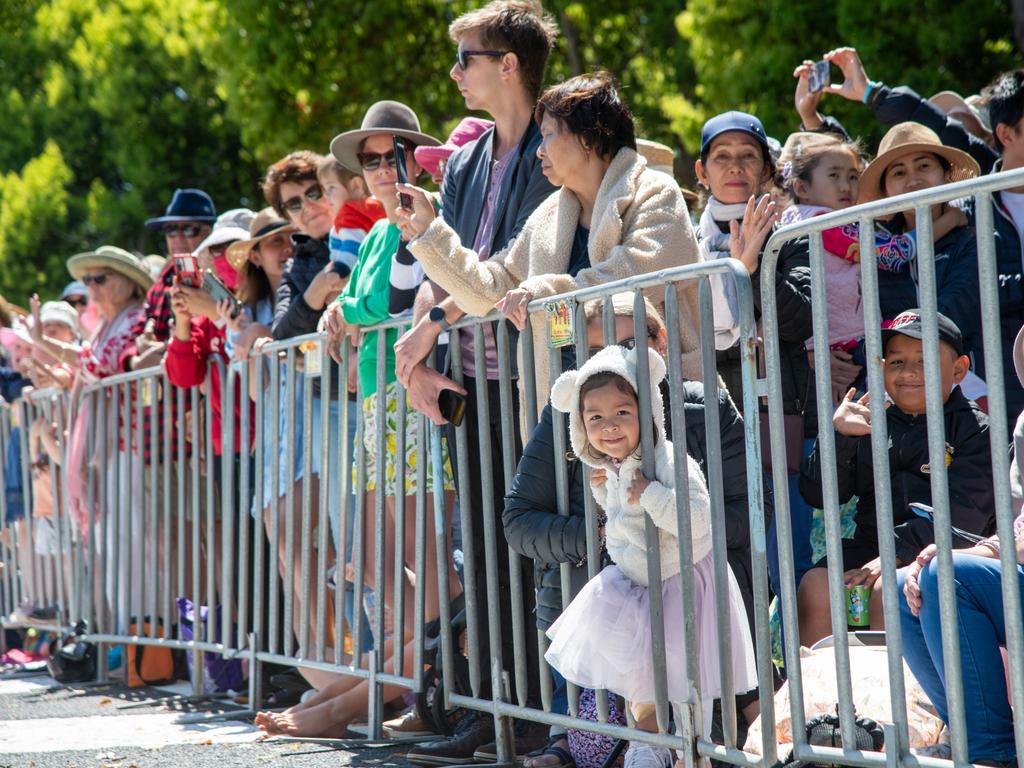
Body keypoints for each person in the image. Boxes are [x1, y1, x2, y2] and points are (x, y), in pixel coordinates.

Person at [389, 2, 560, 762]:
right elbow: (443, 259)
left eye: (467, 59)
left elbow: (514, 263)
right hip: (475, 379)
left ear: (509, 64)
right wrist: (421, 352)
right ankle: (498, 709)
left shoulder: (558, 142)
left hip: (537, 378)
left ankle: (545, 717)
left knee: (533, 544)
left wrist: (430, 324)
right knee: (483, 552)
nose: (455, 73)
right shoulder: (461, 160)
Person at [503, 294, 756, 767]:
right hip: (611, 588)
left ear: (658, 344)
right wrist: (601, 534)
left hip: (689, 583)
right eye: (595, 350)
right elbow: (519, 522)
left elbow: (741, 512)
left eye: (626, 343)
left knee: (688, 703)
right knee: (637, 693)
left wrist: (659, 516)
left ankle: (693, 745)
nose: (611, 361)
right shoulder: (573, 418)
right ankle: (593, 742)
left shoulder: (702, 408)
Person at [398, 71, 703, 414]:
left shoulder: (657, 192)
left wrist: (542, 293)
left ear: (588, 138)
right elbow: (491, 287)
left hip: (652, 409)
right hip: (564, 412)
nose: (538, 152)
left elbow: (638, 277)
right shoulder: (548, 214)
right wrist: (430, 231)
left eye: (547, 136)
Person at [798, 310, 996, 646]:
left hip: (943, 556)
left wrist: (893, 556)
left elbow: (964, 516)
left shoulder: (977, 431)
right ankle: (828, 697)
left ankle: (899, 696)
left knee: (885, 591)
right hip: (870, 548)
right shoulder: (870, 418)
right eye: (896, 362)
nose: (909, 373)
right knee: (816, 586)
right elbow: (819, 494)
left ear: (959, 369)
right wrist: (840, 436)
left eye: (924, 360)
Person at [694, 110, 816, 603]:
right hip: (708, 421)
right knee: (723, 561)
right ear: (701, 172)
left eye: (748, 156)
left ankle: (797, 674)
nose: (735, 167)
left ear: (766, 168)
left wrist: (754, 263)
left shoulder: (789, 234)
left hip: (774, 416)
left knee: (788, 556)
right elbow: (691, 331)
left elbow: (800, 317)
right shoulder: (687, 240)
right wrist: (734, 265)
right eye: (721, 157)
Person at [897, 323, 1024, 767]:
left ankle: (992, 755)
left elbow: (971, 513)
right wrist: (937, 553)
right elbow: (1015, 529)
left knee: (945, 575)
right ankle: (975, 733)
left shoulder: (977, 426)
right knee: (906, 584)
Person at [61, 246, 153, 628]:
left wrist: (46, 346)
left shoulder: (136, 319)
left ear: (130, 284)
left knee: (132, 542)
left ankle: (141, 631)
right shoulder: (103, 327)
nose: (91, 287)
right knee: (110, 544)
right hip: (107, 446)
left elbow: (107, 365)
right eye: (87, 280)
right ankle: (124, 635)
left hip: (129, 442)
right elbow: (89, 363)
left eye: (101, 278)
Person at [856, 123, 982, 358]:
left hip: (964, 379)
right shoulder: (876, 247)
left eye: (924, 166)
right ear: (885, 190)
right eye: (899, 172)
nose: (913, 179)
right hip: (894, 382)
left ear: (946, 175)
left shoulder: (972, 241)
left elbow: (950, 317)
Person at [795, 47, 998, 173]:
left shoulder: (998, 180)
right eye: (899, 172)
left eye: (958, 124)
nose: (935, 132)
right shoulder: (889, 221)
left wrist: (872, 93)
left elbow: (954, 137)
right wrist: (810, 116)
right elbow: (852, 172)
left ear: (990, 141)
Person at [317, 154, 385, 278]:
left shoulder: (350, 215)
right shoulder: (378, 207)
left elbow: (353, 243)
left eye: (331, 187)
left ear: (356, 185)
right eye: (324, 189)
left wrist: (340, 268)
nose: (326, 195)